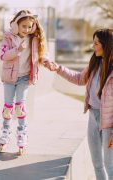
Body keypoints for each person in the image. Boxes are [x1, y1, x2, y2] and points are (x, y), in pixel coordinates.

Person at [45, 28, 113, 180]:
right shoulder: (95, 63)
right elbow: (78, 79)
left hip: (109, 123)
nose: (93, 46)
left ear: (106, 45)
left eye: (96, 43)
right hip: (93, 117)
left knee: (110, 164)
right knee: (97, 163)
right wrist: (58, 68)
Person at [0, 10, 52, 155]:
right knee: (8, 108)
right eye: (24, 26)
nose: (27, 30)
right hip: (9, 78)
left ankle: (22, 135)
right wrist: (17, 50)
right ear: (16, 25)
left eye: (30, 27)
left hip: (24, 78)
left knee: (19, 107)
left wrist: (47, 61)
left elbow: (42, 54)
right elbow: (3, 56)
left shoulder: (33, 39)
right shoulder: (8, 37)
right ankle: (5, 134)